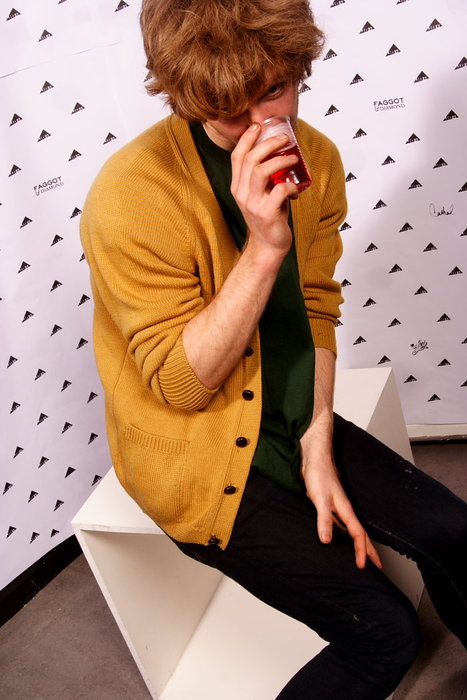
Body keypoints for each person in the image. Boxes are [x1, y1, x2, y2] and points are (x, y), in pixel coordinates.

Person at [80, 1, 467, 697]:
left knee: (453, 530)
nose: (264, 123)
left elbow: (313, 307)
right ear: (187, 98)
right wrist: (263, 247)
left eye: (276, 90)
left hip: (287, 413)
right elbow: (180, 385)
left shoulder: (317, 156)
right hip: (194, 454)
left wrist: (317, 442)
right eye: (231, 110)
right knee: (384, 633)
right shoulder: (130, 194)